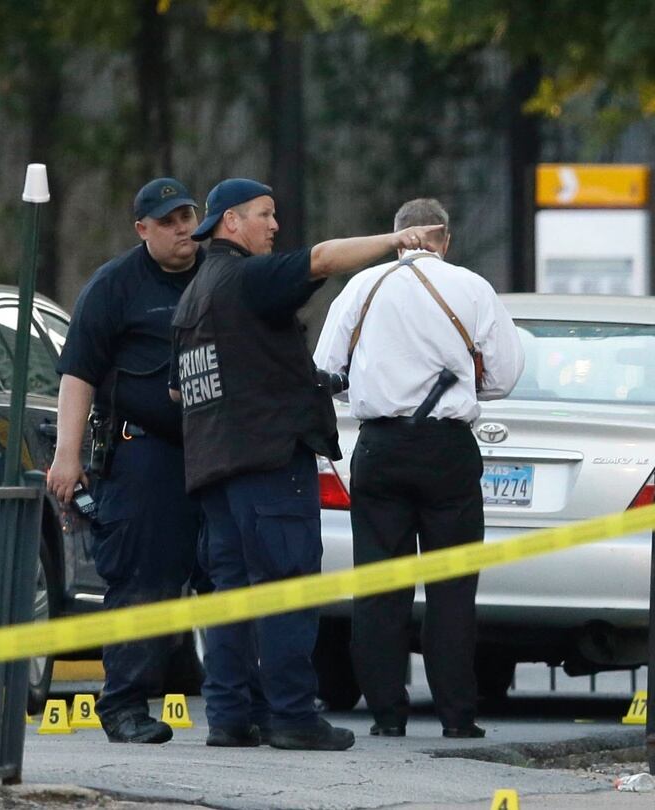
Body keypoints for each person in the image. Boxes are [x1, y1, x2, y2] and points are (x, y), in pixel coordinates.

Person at [170, 178, 443, 751]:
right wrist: (399, 238)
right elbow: (321, 259)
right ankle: (292, 716)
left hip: (214, 470)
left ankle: (230, 716)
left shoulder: (195, 294)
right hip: (268, 464)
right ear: (231, 223)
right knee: (286, 586)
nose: (274, 226)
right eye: (265, 215)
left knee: (230, 593)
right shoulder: (249, 278)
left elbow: (180, 390)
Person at [313, 198, 524, 739]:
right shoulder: (472, 288)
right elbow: (504, 375)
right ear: (444, 240)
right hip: (448, 450)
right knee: (452, 589)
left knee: (379, 587)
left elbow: (325, 369)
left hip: (379, 447)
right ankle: (457, 717)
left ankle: (387, 714)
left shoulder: (360, 288)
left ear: (396, 235)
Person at [46, 177, 206, 745]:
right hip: (144, 454)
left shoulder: (216, 275)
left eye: (188, 215)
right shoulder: (115, 285)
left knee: (232, 577)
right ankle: (125, 707)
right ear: (143, 230)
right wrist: (67, 457)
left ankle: (248, 707)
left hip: (216, 452)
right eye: (169, 221)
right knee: (142, 581)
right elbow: (78, 374)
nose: (184, 228)